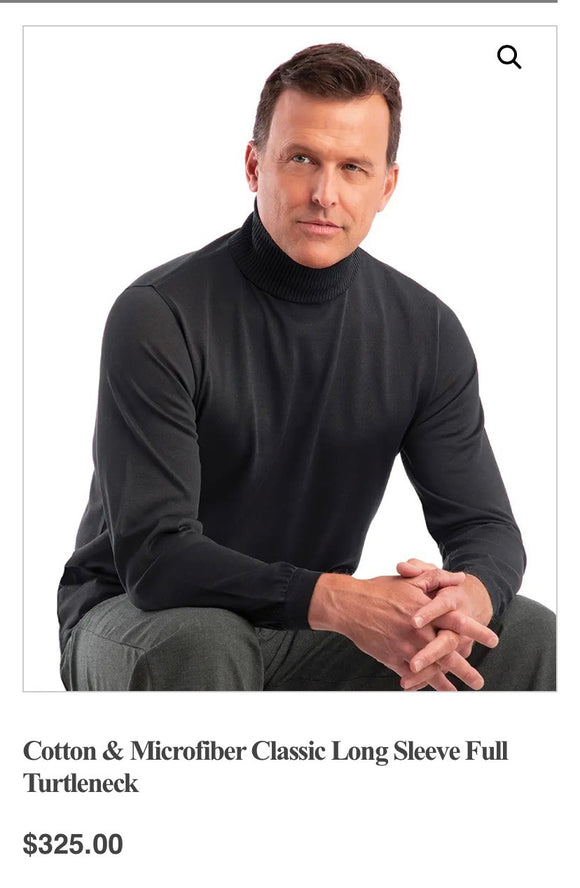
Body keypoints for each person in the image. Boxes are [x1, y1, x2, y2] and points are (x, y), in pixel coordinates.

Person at [58, 43, 555, 691]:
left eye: (353, 168)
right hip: (138, 616)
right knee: (205, 641)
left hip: (304, 628)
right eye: (301, 160)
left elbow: (484, 526)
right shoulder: (159, 314)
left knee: (527, 634)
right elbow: (156, 558)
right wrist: (339, 600)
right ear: (253, 165)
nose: (325, 194)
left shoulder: (425, 330)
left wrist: (469, 597)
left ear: (386, 186)